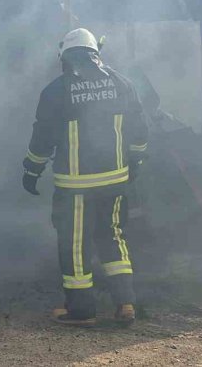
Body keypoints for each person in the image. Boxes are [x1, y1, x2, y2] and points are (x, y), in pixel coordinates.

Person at [22, 28, 148, 327]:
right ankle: (126, 303)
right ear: (96, 52)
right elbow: (139, 129)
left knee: (75, 243)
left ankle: (81, 310)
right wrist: (136, 160)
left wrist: (31, 169)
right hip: (116, 180)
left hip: (76, 186)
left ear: (64, 56)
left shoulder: (57, 90)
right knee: (112, 236)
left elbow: (43, 136)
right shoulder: (121, 83)